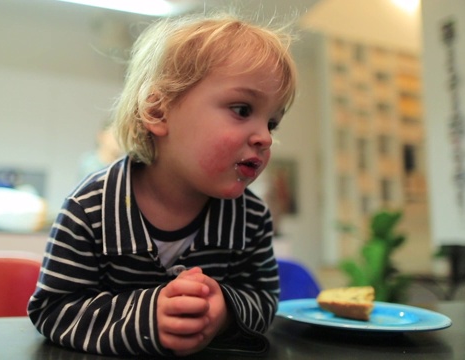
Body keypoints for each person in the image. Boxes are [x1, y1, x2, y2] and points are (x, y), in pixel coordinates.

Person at [28, 10, 297, 357]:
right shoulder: (89, 209)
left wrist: (226, 311)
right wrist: (148, 317)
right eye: (243, 110)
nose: (264, 137)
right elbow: (53, 309)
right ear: (158, 111)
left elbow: (263, 301)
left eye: (272, 122)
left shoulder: (252, 217)